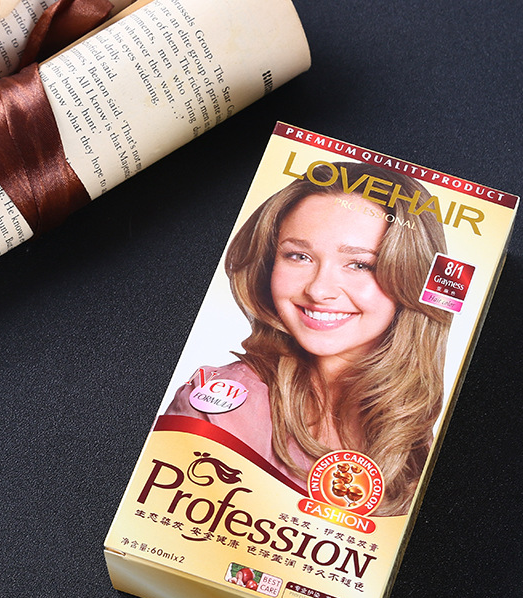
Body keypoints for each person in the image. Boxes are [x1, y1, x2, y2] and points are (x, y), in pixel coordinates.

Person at [166, 161, 453, 516]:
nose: (318, 290)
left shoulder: (416, 427)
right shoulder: (220, 407)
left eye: (360, 264)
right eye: (298, 256)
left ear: (412, 277)